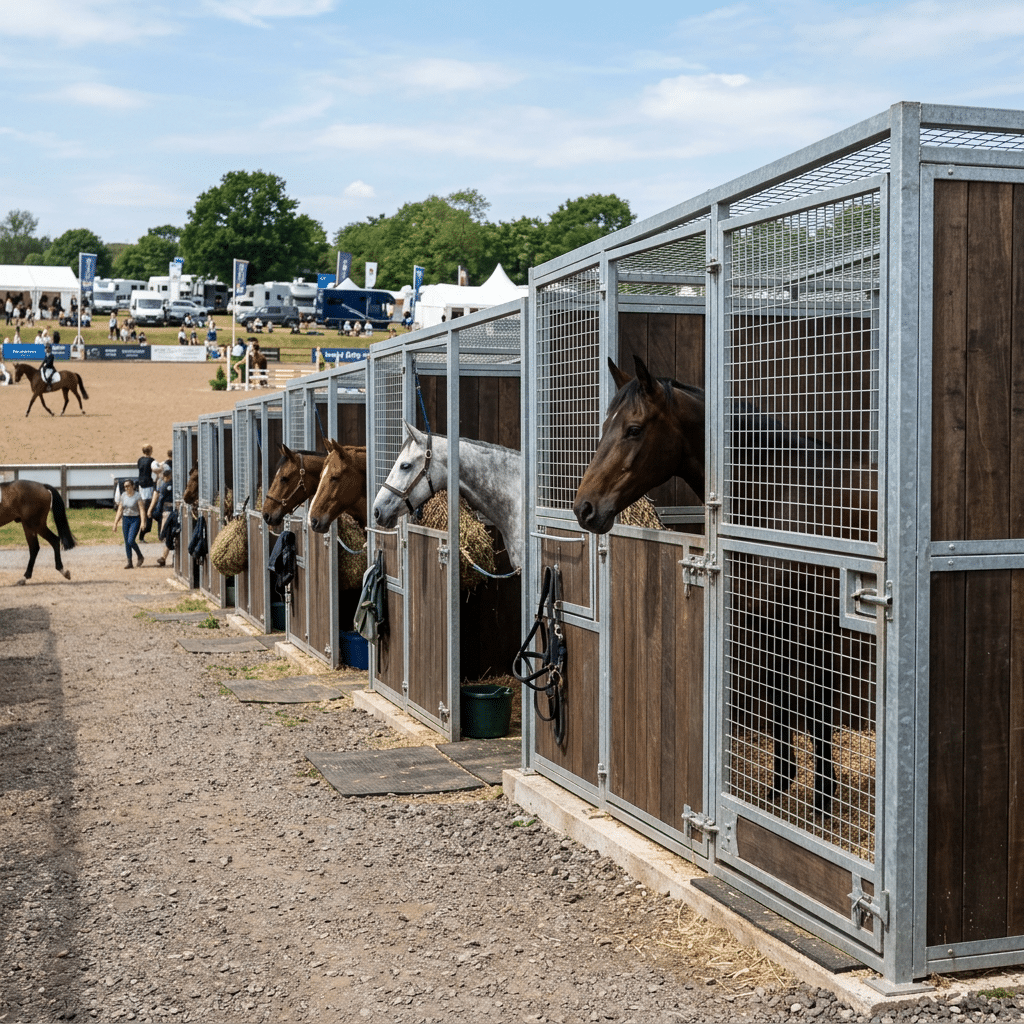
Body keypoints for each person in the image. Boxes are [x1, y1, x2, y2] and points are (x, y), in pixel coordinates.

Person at [113, 478, 147, 569]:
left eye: (128, 486)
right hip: (126, 519)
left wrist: (143, 522)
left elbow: (142, 510)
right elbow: (120, 510)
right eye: (125, 486)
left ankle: (140, 556)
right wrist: (115, 523)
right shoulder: (123, 495)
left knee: (131, 540)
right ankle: (129, 562)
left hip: (135, 519)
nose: (126, 488)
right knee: (126, 542)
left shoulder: (137, 496)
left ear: (133, 486)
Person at [148, 468, 174, 562]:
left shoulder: (165, 486)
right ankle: (165, 557)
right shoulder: (175, 485)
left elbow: (160, 500)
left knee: (166, 534)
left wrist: (156, 512)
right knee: (172, 534)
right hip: (174, 511)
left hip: (167, 511)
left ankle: (165, 557)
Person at [136, 444, 157, 540]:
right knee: (147, 505)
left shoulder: (140, 460)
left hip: (140, 484)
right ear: (150, 451)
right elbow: (156, 470)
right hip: (148, 484)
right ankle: (143, 529)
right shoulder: (152, 461)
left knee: (142, 504)